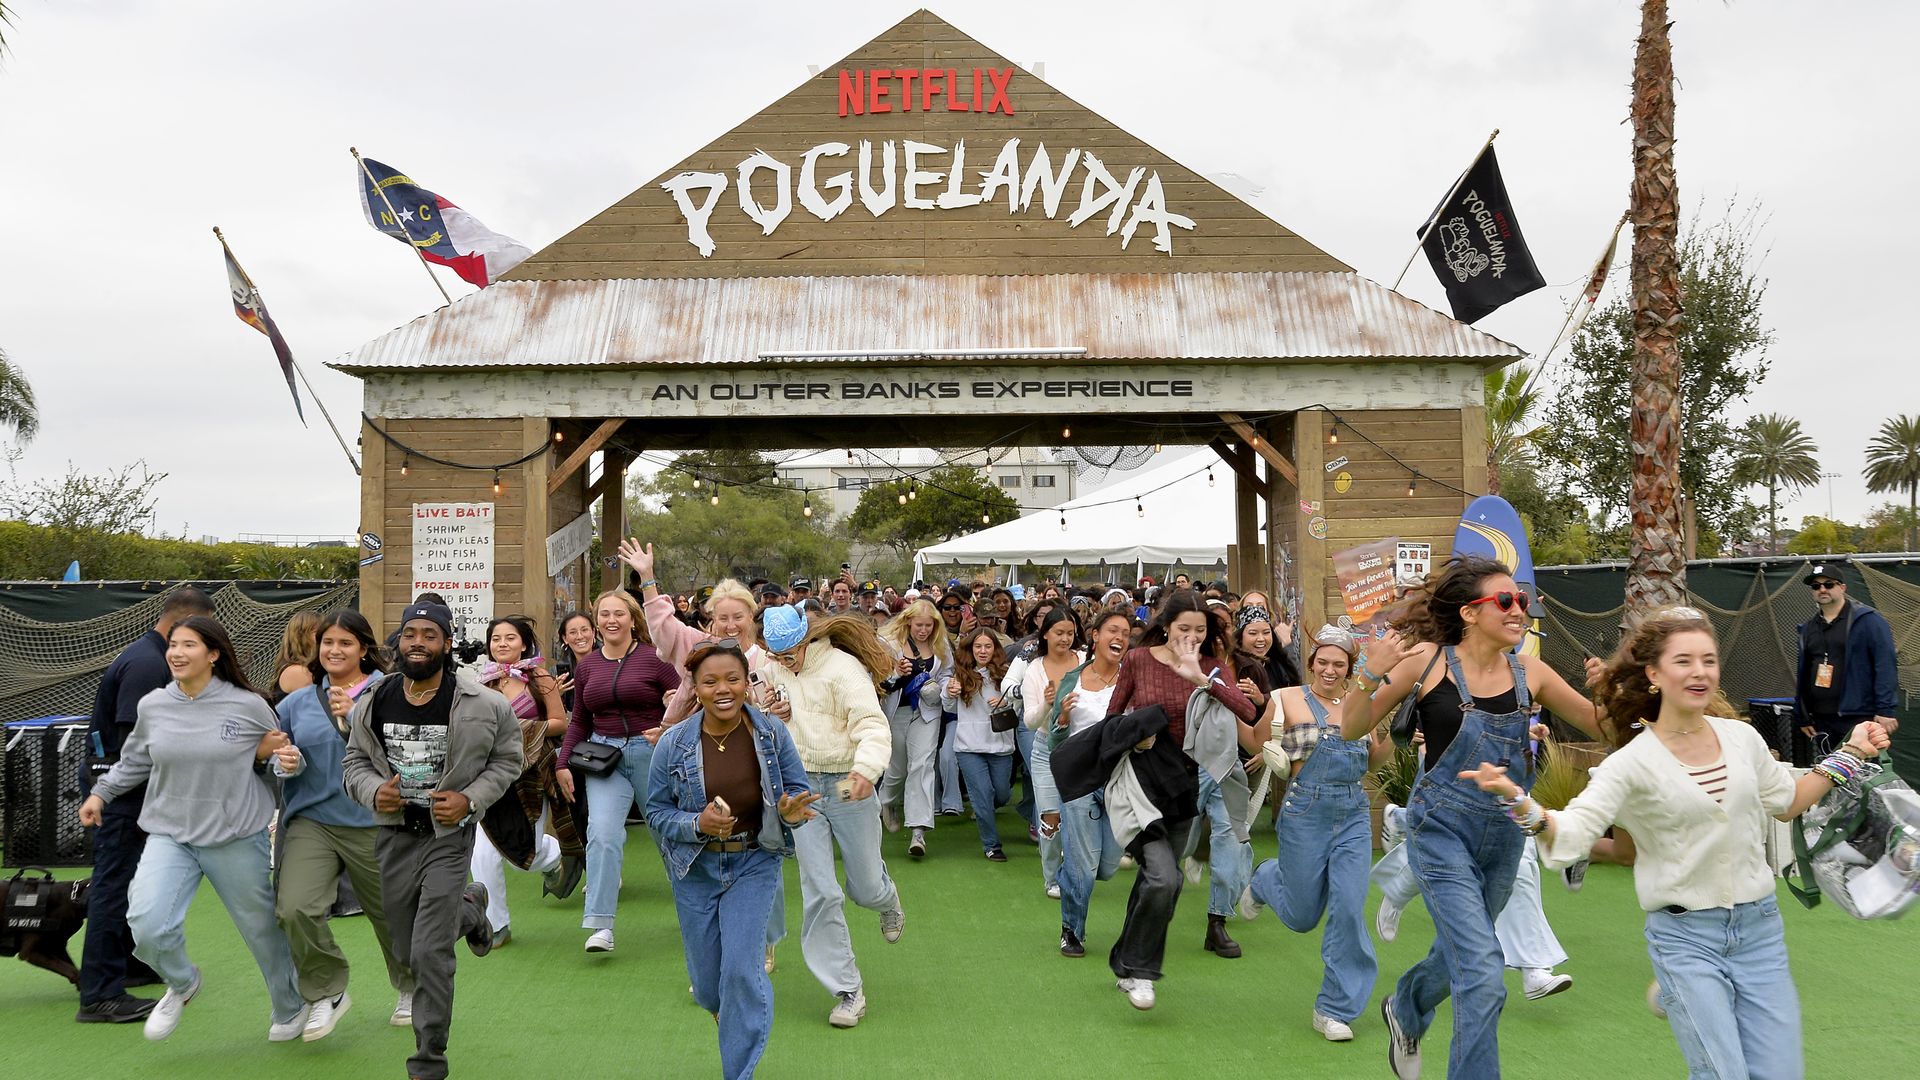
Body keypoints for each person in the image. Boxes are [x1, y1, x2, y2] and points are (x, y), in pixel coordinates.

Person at [1460, 605, 1892, 1080]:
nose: (1699, 671)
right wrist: (1517, 802)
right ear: (1653, 674)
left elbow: (1787, 801)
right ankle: (1679, 988)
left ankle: (1673, 995)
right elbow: (1572, 834)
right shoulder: (1629, 763)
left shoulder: (1742, 737)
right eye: (1683, 661)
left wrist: (1851, 752)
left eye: (1708, 660)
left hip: (1760, 932)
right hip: (1686, 938)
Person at [1340, 555, 1603, 1080]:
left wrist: (1612, 686)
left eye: (1521, 600)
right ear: (1468, 612)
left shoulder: (1533, 671)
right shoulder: (1426, 662)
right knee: (1483, 973)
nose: (1518, 609)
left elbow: (1602, 725)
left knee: (1464, 951)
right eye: (1505, 600)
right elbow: (1350, 728)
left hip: (1506, 836)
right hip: (1440, 832)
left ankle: (1407, 1006)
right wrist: (1370, 670)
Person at [77, 615, 307, 1043]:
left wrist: (287, 762)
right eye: (174, 645)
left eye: (189, 645)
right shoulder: (154, 705)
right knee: (145, 924)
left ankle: (290, 1007)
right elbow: (135, 761)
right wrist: (100, 793)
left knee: (260, 930)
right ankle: (182, 984)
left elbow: (278, 753)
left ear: (214, 654)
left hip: (235, 833)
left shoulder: (248, 703)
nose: (177, 653)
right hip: (170, 833)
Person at [342, 599, 517, 1080]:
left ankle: (428, 1061)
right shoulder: (373, 700)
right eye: (411, 634)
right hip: (395, 837)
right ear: (398, 641)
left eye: (431, 634)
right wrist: (374, 791)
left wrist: (470, 800)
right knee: (404, 950)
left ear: (447, 643)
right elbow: (353, 763)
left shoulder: (486, 703)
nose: (419, 642)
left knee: (429, 953)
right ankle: (471, 909)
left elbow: (507, 761)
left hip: (448, 836)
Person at [646, 642, 821, 1080]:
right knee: (709, 988)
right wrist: (697, 823)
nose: (723, 689)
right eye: (710, 681)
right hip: (696, 868)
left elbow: (794, 788)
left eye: (733, 679)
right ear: (696, 688)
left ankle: (738, 1072)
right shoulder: (673, 743)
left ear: (747, 683)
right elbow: (655, 811)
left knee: (742, 970)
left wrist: (787, 812)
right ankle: (724, 1012)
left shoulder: (771, 734)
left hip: (754, 861)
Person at [1100, 590, 1259, 1007]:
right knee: (1164, 877)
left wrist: (1200, 678)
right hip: (1140, 782)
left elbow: (1247, 711)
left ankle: (1125, 960)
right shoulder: (1138, 659)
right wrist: (1135, 735)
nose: (1190, 636)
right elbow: (1112, 718)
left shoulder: (1210, 666)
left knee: (1159, 885)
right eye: (1183, 628)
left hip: (1185, 785)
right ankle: (1142, 974)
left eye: (1199, 630)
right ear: (1166, 625)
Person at [270, 609, 415, 1040]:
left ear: (364, 649)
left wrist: (355, 717)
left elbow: (406, 755)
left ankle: (412, 987)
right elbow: (276, 753)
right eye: (328, 643)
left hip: (374, 820)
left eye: (345, 643)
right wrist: (285, 763)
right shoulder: (296, 702)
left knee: (391, 913)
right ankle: (326, 991)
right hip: (311, 820)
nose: (334, 650)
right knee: (294, 907)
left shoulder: (391, 693)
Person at [76, 585, 216, 1024]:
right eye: (200, 634)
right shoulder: (145, 664)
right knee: (113, 888)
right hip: (119, 796)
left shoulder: (151, 657)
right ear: (181, 625)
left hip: (132, 795)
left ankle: (130, 967)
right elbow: (134, 745)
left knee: (133, 884)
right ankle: (99, 994)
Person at [759, 606, 903, 1029]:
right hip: (802, 787)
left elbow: (873, 725)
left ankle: (887, 899)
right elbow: (769, 719)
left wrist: (865, 770)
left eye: (790, 655)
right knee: (820, 890)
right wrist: (772, 713)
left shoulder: (844, 670)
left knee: (866, 887)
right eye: (777, 655)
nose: (784, 663)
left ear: (806, 641)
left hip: (847, 782)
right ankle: (848, 990)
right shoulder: (775, 668)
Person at [1248, 626, 1393, 1043]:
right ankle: (1264, 877)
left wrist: (1398, 739)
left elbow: (1372, 762)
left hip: (1352, 814)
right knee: (1301, 916)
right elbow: (1256, 741)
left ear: (1350, 669)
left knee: (1348, 908)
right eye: (1323, 662)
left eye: (1339, 664)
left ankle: (1334, 1008)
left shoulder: (1360, 705)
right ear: (1311, 663)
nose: (1330, 670)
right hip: (1304, 812)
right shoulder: (1286, 698)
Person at [555, 588, 682, 953]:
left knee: (667, 836)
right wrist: (563, 762)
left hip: (651, 753)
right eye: (605, 614)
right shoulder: (587, 666)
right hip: (603, 757)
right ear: (597, 622)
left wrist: (669, 713)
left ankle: (697, 907)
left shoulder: (654, 659)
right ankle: (600, 925)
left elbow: (682, 699)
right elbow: (579, 719)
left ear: (632, 618)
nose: (611, 620)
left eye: (619, 613)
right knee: (602, 834)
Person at [471, 615, 581, 947]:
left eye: (510, 638)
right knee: (482, 852)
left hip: (531, 775)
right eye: (496, 639)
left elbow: (561, 722)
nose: (502, 644)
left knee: (523, 855)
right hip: (489, 777)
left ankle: (555, 857)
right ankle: (494, 925)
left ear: (524, 643)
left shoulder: (539, 677)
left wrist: (520, 729)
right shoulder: (481, 683)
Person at [1048, 608, 1131, 957]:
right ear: (1095, 635)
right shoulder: (1072, 679)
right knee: (1084, 866)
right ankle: (1072, 931)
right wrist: (1063, 717)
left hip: (1120, 781)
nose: (1121, 638)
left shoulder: (1133, 680)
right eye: (1113, 630)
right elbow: (1055, 738)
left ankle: (1070, 874)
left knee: (1107, 866)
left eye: (1126, 633)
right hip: (1081, 779)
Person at [1795, 564, 1900, 755]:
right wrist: (1803, 715)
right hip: (1821, 719)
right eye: (1816, 586)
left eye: (1828, 584)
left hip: (1859, 717)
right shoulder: (1809, 628)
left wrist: (1885, 709)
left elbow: (1885, 665)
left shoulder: (1868, 620)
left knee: (1863, 776)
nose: (1822, 589)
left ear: (1842, 587)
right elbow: (1803, 671)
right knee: (1829, 776)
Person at [877, 598, 951, 856]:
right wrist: (896, 672)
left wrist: (940, 688)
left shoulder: (941, 644)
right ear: (908, 621)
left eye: (929, 625)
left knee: (922, 765)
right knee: (897, 768)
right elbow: (877, 679)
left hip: (928, 713)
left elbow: (948, 674)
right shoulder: (888, 644)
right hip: (897, 712)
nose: (924, 630)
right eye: (919, 625)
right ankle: (886, 802)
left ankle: (918, 831)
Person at [1019, 607, 1084, 898]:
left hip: (1082, 747)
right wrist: (1047, 704)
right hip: (1046, 748)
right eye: (1059, 633)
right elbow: (1030, 721)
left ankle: (1077, 871)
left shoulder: (1085, 661)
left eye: (1070, 633)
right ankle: (1052, 877)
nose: (1065, 639)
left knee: (1080, 816)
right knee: (1050, 817)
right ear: (1045, 634)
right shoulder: (1034, 669)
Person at [944, 628, 1018, 860]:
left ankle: (984, 810)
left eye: (987, 646)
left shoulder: (1007, 674)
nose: (983, 651)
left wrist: (1007, 701)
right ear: (971, 649)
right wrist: (949, 692)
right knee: (983, 795)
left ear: (995, 648)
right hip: (968, 746)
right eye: (978, 646)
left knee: (1002, 794)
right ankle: (992, 845)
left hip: (1000, 745)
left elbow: (1019, 705)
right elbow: (947, 707)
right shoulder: (960, 674)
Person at [268, 610, 323, 706]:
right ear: (301, 637)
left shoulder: (311, 669)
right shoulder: (298, 672)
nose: (323, 637)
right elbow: (317, 712)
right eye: (317, 632)